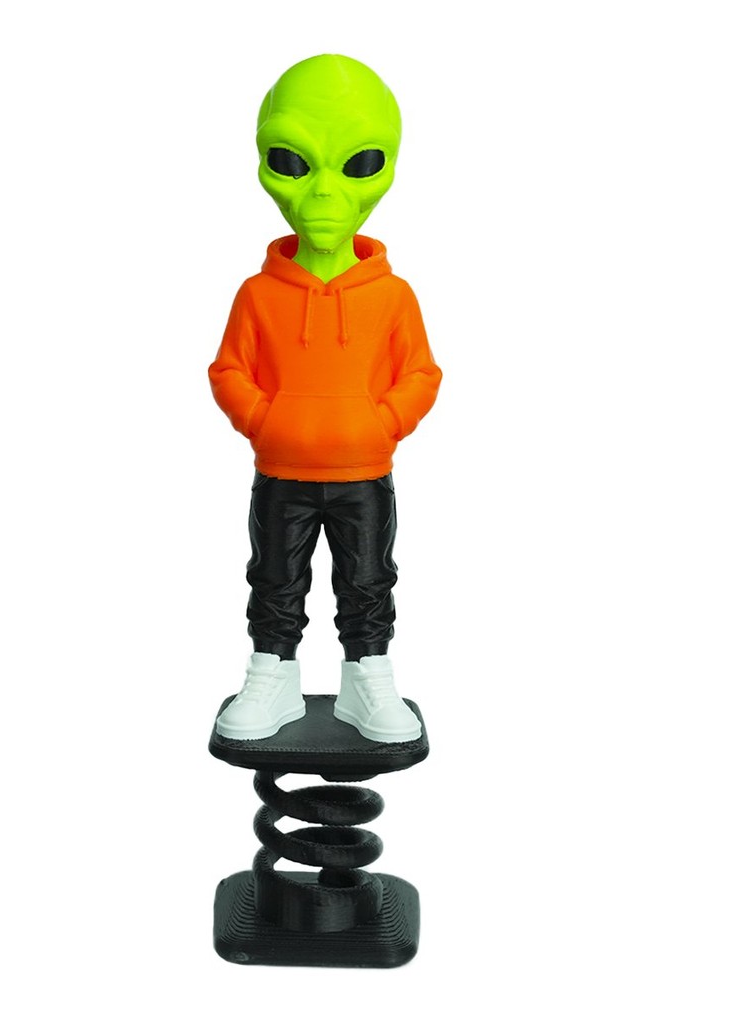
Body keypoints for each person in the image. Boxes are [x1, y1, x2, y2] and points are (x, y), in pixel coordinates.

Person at [209, 55, 441, 743]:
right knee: (274, 579)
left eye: (357, 164)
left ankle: (367, 678)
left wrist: (379, 425)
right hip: (282, 473)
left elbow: (421, 373)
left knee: (368, 580)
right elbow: (228, 370)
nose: (323, 195)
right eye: (293, 162)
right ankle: (271, 675)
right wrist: (268, 423)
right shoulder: (258, 295)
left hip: (363, 474)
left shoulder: (392, 296)